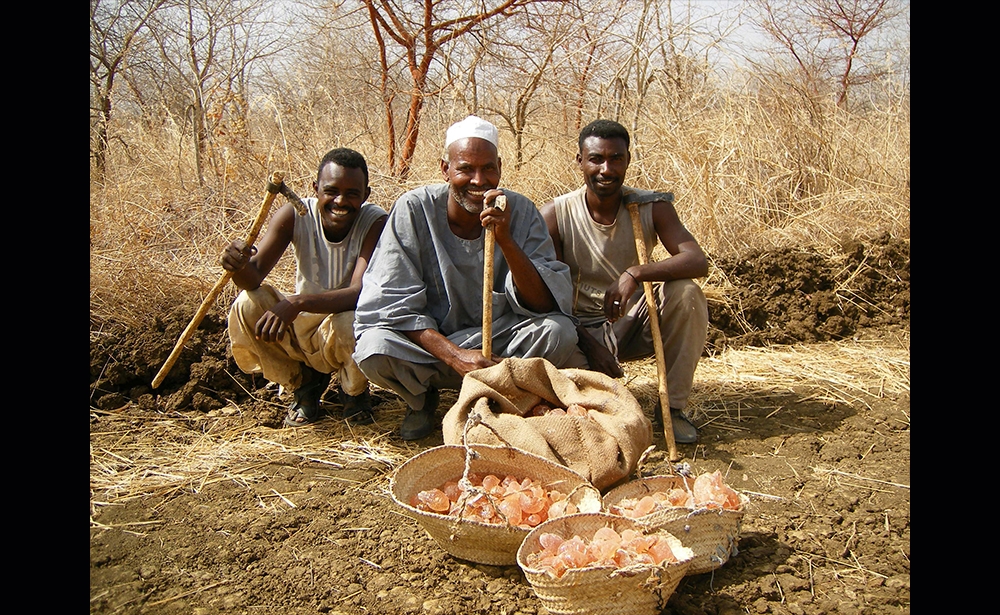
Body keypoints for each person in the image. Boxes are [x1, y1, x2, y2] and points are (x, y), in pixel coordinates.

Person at [353, 115, 580, 440]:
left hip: (497, 343)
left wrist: (505, 239)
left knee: (560, 332)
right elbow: (390, 305)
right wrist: (454, 355)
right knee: (374, 347)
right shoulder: (413, 209)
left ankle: (499, 395)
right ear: (446, 169)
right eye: (465, 169)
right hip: (431, 346)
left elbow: (544, 303)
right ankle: (420, 400)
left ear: (500, 167)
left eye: (488, 168)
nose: (478, 180)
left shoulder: (522, 211)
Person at [540, 119, 709, 444]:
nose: (606, 169)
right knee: (578, 396)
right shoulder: (556, 215)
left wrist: (635, 273)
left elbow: (695, 260)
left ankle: (671, 408)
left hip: (634, 321)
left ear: (628, 160)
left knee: (686, 293)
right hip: (581, 333)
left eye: (616, 158)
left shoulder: (651, 206)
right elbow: (549, 297)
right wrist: (591, 344)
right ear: (580, 161)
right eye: (596, 159)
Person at [221, 147, 387, 428]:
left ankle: (354, 394)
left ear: (366, 195)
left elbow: (360, 293)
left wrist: (298, 303)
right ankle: (304, 385)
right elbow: (253, 277)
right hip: (302, 329)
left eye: (352, 194)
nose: (340, 201)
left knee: (354, 322)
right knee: (248, 304)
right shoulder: (295, 214)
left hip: (339, 324)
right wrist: (237, 266)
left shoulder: (375, 221)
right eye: (331, 191)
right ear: (316, 188)